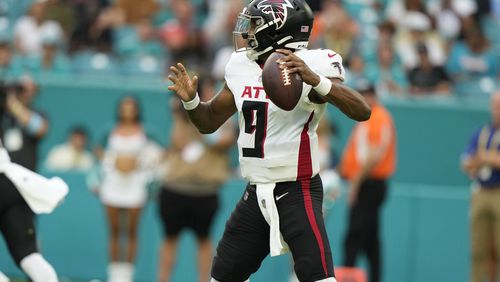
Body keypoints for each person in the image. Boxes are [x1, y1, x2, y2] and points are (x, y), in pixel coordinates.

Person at [167, 1, 371, 281]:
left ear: (277, 31)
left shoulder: (312, 64)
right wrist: (191, 101)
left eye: (254, 25)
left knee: (319, 277)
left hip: (298, 190)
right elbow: (209, 121)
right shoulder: (241, 65)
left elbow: (362, 110)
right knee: (222, 277)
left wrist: (315, 80)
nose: (247, 32)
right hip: (255, 192)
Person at [158, 89, 236, 282]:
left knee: (204, 240)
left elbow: (224, 142)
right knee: (169, 239)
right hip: (175, 188)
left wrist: (204, 121)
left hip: (205, 192)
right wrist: (187, 111)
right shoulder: (180, 117)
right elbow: (178, 142)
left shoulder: (223, 117)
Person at [94, 96, 162, 282]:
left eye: (131, 107)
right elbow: (98, 150)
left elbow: (159, 153)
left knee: (132, 231)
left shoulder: (147, 131)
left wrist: (138, 161)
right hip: (112, 184)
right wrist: (113, 160)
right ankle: (114, 276)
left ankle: (127, 276)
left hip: (135, 185)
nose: (128, 110)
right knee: (114, 230)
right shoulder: (109, 130)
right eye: (124, 106)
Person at [339, 79, 397, 282]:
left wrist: (356, 182)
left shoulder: (378, 116)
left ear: (374, 95)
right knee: (371, 239)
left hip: (369, 184)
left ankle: (347, 276)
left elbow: (375, 154)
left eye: (367, 93)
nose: (364, 97)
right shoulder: (366, 117)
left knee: (354, 236)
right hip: (366, 183)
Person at [0, 80, 57, 282]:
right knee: (30, 255)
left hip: (19, 186)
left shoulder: (35, 114)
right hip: (16, 187)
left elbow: (39, 129)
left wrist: (14, 103)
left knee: (29, 252)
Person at [461, 91, 500, 282]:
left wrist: (487, 158)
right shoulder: (483, 132)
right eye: (495, 106)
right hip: (482, 191)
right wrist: (483, 159)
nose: (497, 110)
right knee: (478, 248)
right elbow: (466, 162)